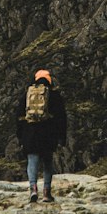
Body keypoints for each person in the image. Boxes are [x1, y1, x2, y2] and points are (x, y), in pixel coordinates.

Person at [16, 68, 67, 203]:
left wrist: (20, 137)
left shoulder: (27, 94)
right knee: (47, 163)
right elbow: (62, 118)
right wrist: (62, 137)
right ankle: (46, 192)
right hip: (48, 135)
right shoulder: (54, 95)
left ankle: (33, 189)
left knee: (32, 162)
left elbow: (19, 117)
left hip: (30, 135)